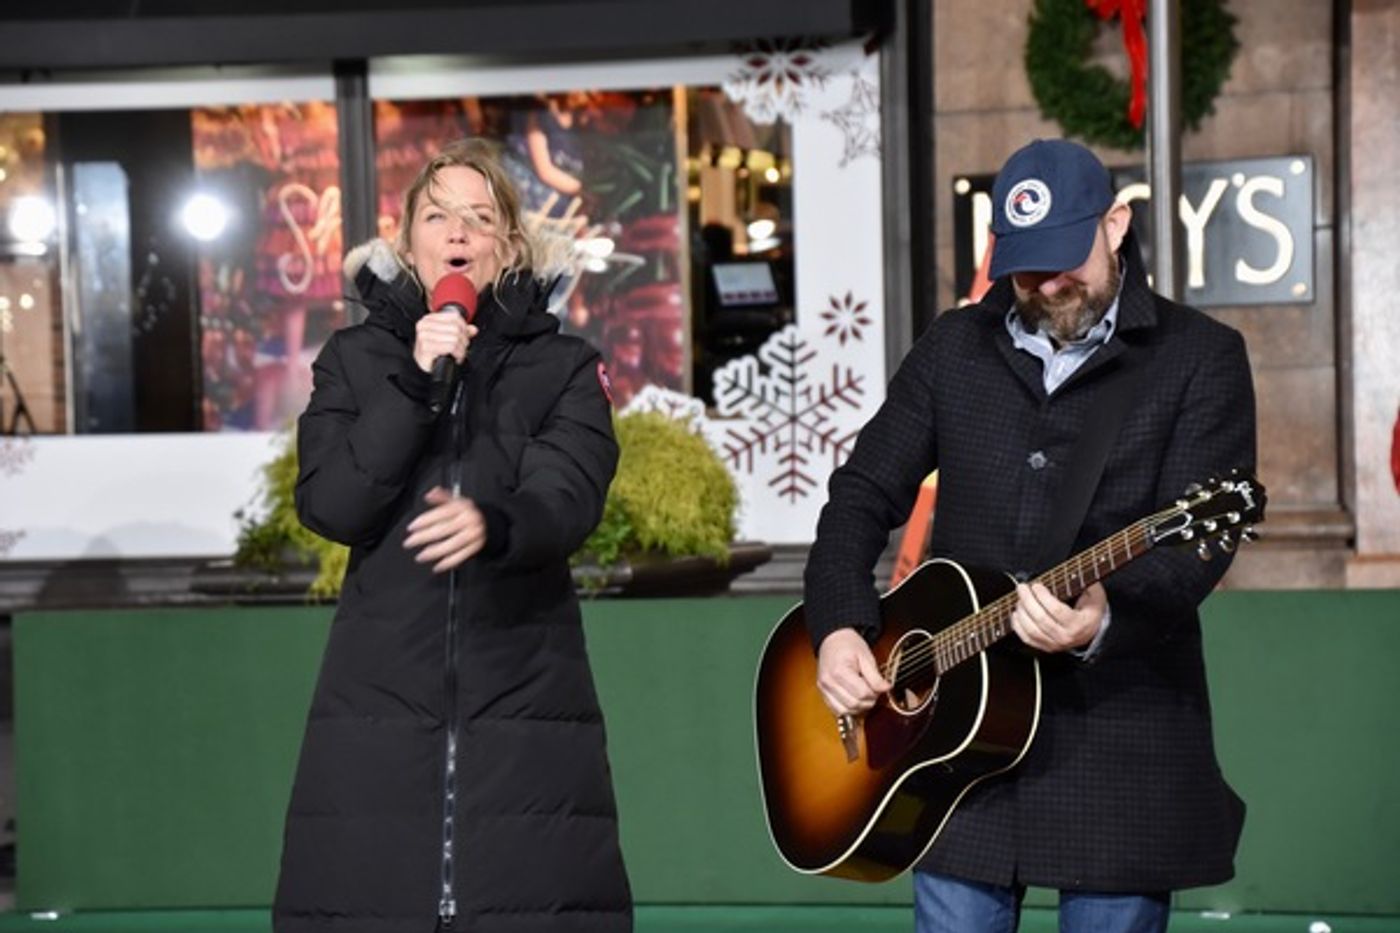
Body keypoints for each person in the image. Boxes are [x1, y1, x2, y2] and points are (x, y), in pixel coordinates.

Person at [804, 138, 1255, 933]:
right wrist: (839, 620)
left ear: (1116, 224)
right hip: (953, 751)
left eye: (1063, 261)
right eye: (1024, 266)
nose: (1045, 287)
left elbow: (1196, 550)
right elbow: (861, 491)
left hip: (1119, 744)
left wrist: (1103, 613)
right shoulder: (955, 346)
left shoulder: (1200, 358)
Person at [272, 138, 632, 933]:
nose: (459, 231)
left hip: (527, 699)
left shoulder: (566, 367)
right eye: (439, 215)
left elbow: (570, 495)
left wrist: (494, 523)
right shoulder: (356, 360)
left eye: (480, 215)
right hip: (376, 703)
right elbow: (332, 503)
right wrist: (415, 380)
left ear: (508, 243)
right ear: (407, 242)